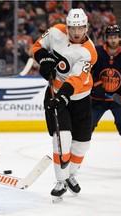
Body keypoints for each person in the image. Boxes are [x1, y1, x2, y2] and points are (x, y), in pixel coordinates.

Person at [31, 8, 97, 202]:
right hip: (55, 94)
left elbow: (76, 80)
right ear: (67, 26)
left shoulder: (89, 52)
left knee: (82, 144)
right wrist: (44, 60)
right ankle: (60, 181)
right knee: (62, 138)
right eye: (73, 28)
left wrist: (62, 98)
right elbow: (37, 46)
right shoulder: (55, 32)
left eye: (81, 28)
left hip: (80, 98)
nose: (77, 33)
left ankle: (71, 175)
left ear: (87, 27)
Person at [91, 25, 121, 172]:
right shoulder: (97, 52)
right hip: (98, 99)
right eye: (110, 37)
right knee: (86, 128)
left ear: (120, 38)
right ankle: (75, 160)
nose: (113, 40)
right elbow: (87, 70)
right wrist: (97, 84)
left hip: (119, 100)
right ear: (106, 38)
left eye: (115, 37)